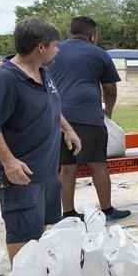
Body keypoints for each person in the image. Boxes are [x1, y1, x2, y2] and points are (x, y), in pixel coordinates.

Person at [0, 18, 82, 262]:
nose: (58, 50)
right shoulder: (5, 80)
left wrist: (67, 129)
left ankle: (38, 272)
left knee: (42, 227)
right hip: (20, 174)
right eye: (55, 45)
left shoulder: (43, 72)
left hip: (45, 171)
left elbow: (52, 105)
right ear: (41, 47)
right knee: (22, 232)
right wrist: (9, 162)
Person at [50, 16, 130, 221]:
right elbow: (110, 89)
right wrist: (108, 113)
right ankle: (107, 210)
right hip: (88, 117)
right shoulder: (99, 54)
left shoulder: (53, 51)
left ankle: (67, 213)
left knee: (67, 167)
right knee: (98, 164)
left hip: (59, 118)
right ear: (92, 35)